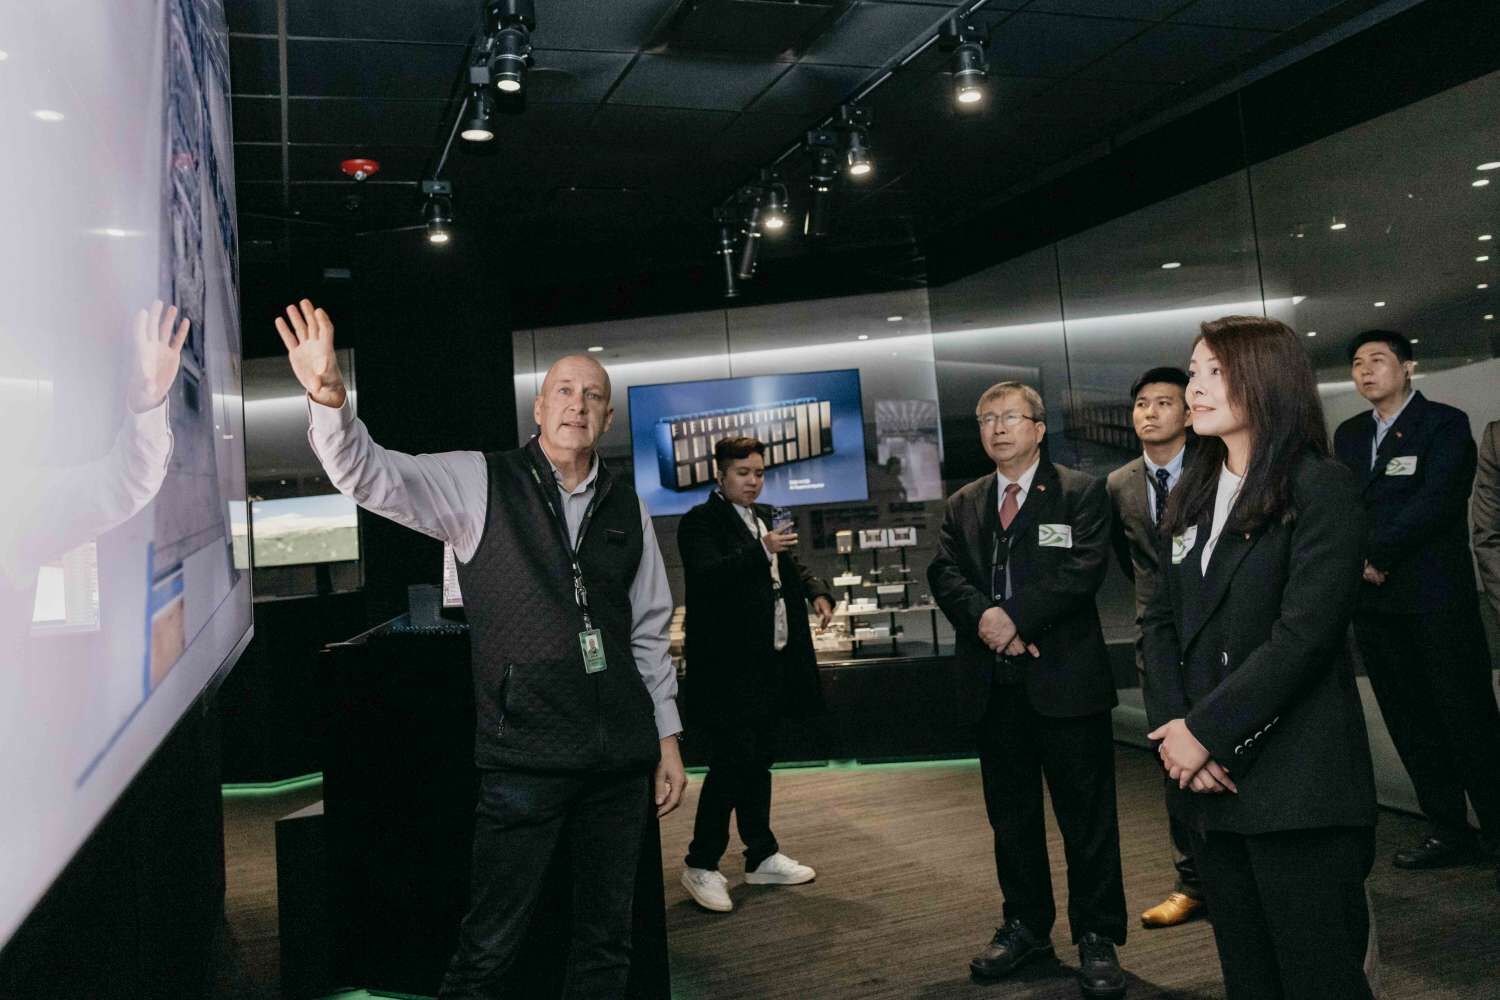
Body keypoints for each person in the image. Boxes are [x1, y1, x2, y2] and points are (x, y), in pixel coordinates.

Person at [274, 299, 686, 999]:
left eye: (592, 396)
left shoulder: (628, 505)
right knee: (490, 947)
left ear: (609, 418)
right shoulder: (479, 480)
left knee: (607, 944)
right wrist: (329, 400)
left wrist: (667, 739)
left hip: (619, 762)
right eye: (564, 390)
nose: (577, 405)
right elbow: (370, 475)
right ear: (539, 408)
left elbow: (647, 630)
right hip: (524, 758)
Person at [1145, 315, 1377, 998]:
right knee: (1249, 978)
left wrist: (1206, 733)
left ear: (1265, 379)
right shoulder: (1192, 491)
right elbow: (1160, 621)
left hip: (1297, 784)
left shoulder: (1319, 485)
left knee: (1319, 979)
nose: (1194, 388)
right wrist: (1178, 738)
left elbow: (1304, 637)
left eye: (1215, 372)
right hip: (1208, 787)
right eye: (1193, 371)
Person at [928, 381, 1127, 999]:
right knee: (1011, 818)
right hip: (995, 686)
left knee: (1087, 818)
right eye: (986, 418)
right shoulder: (964, 502)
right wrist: (988, 621)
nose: (997, 428)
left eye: (1010, 417)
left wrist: (1013, 620)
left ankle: (1097, 935)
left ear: (1039, 428)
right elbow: (945, 572)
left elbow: (1082, 570)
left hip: (1067, 681)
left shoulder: (1081, 491)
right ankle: (1026, 927)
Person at [1332, 330, 1500, 870]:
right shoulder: (1350, 435)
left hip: (1435, 599)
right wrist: (1359, 560)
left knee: (1469, 719)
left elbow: (1439, 500)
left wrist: (1377, 553)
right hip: (1375, 607)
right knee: (1410, 723)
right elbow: (1341, 508)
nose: (1366, 371)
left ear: (1407, 367)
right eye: (1358, 363)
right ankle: (1448, 831)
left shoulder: (1444, 424)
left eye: (1378, 360)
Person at [677, 437, 834, 913]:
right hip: (728, 672)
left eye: (759, 473)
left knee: (758, 760)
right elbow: (708, 576)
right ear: (720, 475)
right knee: (731, 763)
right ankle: (700, 863)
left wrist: (816, 591)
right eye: (742, 473)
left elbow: (792, 564)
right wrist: (760, 549)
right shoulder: (699, 522)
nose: (752, 481)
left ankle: (760, 854)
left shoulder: (767, 515)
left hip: (773, 664)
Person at [1105, 366, 1204, 929]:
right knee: (1172, 756)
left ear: (1188, 413)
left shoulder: (1216, 467)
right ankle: (1191, 882)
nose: (1149, 412)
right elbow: (1132, 560)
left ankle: (1240, 869)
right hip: (1157, 636)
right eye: (1141, 403)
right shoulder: (1118, 484)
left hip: (1215, 628)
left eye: (1163, 402)